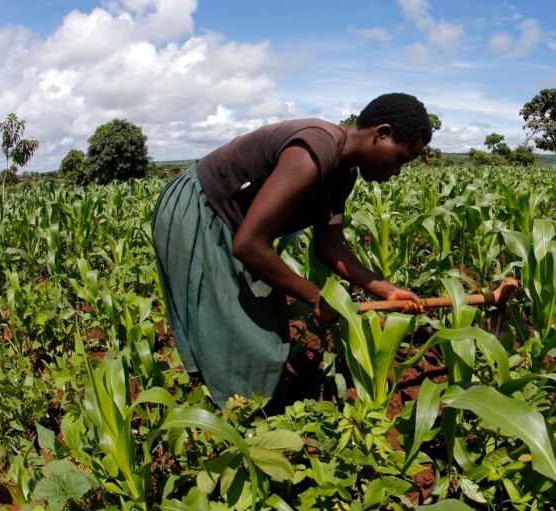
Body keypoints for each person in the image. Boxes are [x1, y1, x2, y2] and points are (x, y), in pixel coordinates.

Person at [151, 93, 429, 407]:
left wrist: (387, 289)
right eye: (400, 159)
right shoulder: (314, 151)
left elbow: (329, 246)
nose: (397, 172)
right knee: (247, 337)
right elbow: (248, 245)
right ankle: (236, 423)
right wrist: (314, 297)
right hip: (202, 210)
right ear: (381, 133)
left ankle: (245, 411)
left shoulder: (343, 173)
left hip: (236, 228)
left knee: (264, 327)